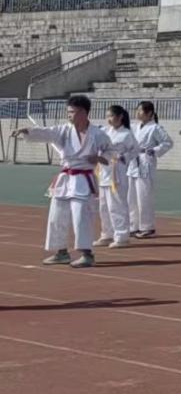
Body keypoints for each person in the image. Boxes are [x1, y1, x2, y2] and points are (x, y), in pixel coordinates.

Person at [10, 95, 111, 268]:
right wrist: (27, 130)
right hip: (65, 179)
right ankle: (61, 252)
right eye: (68, 112)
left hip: (83, 179)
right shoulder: (64, 130)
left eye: (72, 112)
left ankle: (87, 254)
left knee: (81, 217)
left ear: (83, 112)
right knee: (56, 216)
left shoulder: (98, 134)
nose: (69, 115)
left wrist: (100, 158)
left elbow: (111, 151)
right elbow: (47, 132)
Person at [128, 101, 173, 239]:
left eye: (140, 111)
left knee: (144, 196)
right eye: (137, 110)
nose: (137, 113)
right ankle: (133, 226)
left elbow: (168, 142)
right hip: (133, 161)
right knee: (131, 197)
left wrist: (154, 150)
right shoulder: (134, 126)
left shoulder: (155, 127)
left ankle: (147, 227)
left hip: (145, 161)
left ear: (149, 113)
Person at [96, 105, 139, 249]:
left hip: (117, 172)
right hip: (103, 170)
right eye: (107, 116)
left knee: (117, 205)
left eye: (111, 116)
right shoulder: (105, 132)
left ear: (120, 117)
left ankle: (121, 236)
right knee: (103, 206)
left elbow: (135, 150)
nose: (109, 119)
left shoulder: (126, 134)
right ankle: (106, 234)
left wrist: (123, 157)